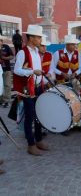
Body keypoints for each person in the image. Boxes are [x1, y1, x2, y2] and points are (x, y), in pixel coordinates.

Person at [13, 25, 49, 156]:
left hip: (38, 87)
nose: (40, 40)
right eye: (38, 37)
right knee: (30, 116)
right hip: (28, 89)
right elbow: (16, 70)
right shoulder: (23, 52)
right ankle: (31, 144)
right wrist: (33, 71)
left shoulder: (36, 52)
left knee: (39, 114)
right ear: (31, 38)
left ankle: (38, 140)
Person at [0, 38, 14, 108]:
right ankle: (1, 100)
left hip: (6, 69)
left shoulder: (6, 47)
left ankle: (6, 101)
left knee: (7, 85)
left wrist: (4, 58)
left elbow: (12, 56)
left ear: (2, 42)